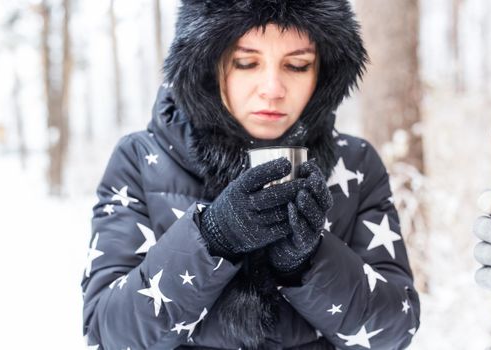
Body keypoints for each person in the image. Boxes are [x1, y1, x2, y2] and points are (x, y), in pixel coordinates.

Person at [81, 0, 421, 349]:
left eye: (298, 65)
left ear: (324, 71)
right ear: (207, 63)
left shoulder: (357, 162)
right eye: (246, 63)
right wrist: (214, 238)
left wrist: (307, 263)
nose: (272, 88)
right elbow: (107, 333)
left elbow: (394, 331)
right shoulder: (140, 158)